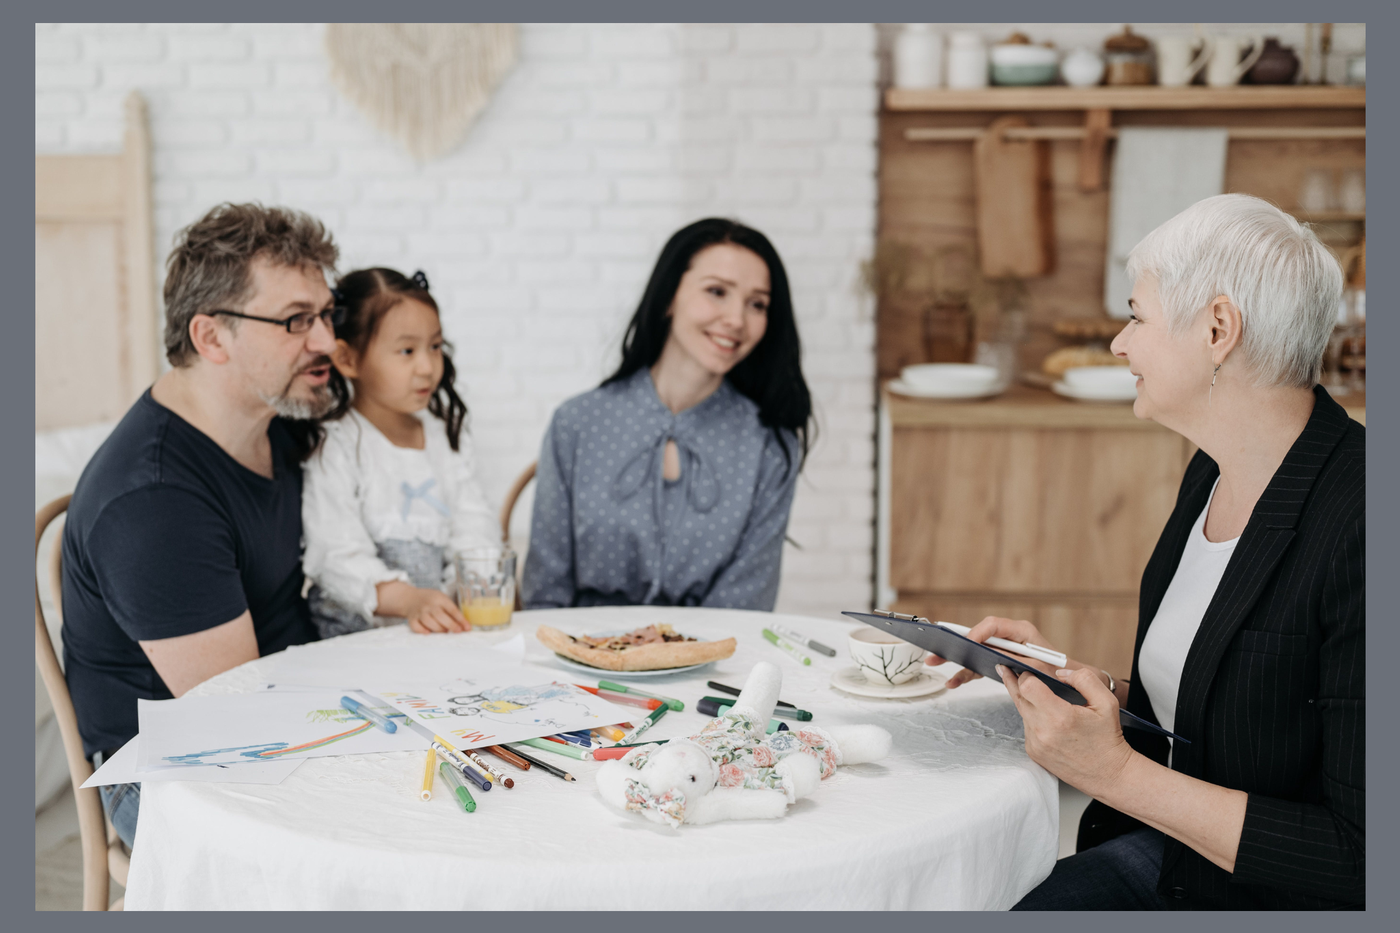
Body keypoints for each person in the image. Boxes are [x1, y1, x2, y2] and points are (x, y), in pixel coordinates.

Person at [931, 195, 1364, 910]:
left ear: (1218, 328)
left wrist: (1112, 772)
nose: (1119, 345)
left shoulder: (1365, 523)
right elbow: (1216, 718)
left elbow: (1362, 857)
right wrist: (1075, 684)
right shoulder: (1212, 470)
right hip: (1176, 855)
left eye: (1137, 316)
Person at [61, 203, 342, 848]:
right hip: (173, 770)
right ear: (211, 338)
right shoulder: (153, 502)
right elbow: (235, 719)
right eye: (297, 320)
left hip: (288, 701)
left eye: (326, 315)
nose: (326, 341)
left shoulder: (282, 420)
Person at [522, 218, 813, 610]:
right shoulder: (576, 424)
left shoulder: (769, 446)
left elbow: (745, 610)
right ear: (669, 296)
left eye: (757, 304)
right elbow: (545, 594)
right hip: (579, 663)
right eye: (717, 291)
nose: (737, 320)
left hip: (712, 666)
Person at [300, 268, 499, 637]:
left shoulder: (445, 436)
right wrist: (409, 601)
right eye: (407, 351)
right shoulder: (336, 444)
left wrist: (463, 587)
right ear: (348, 359)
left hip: (433, 633)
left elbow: (476, 526)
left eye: (435, 347)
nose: (427, 367)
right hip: (352, 645)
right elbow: (335, 553)